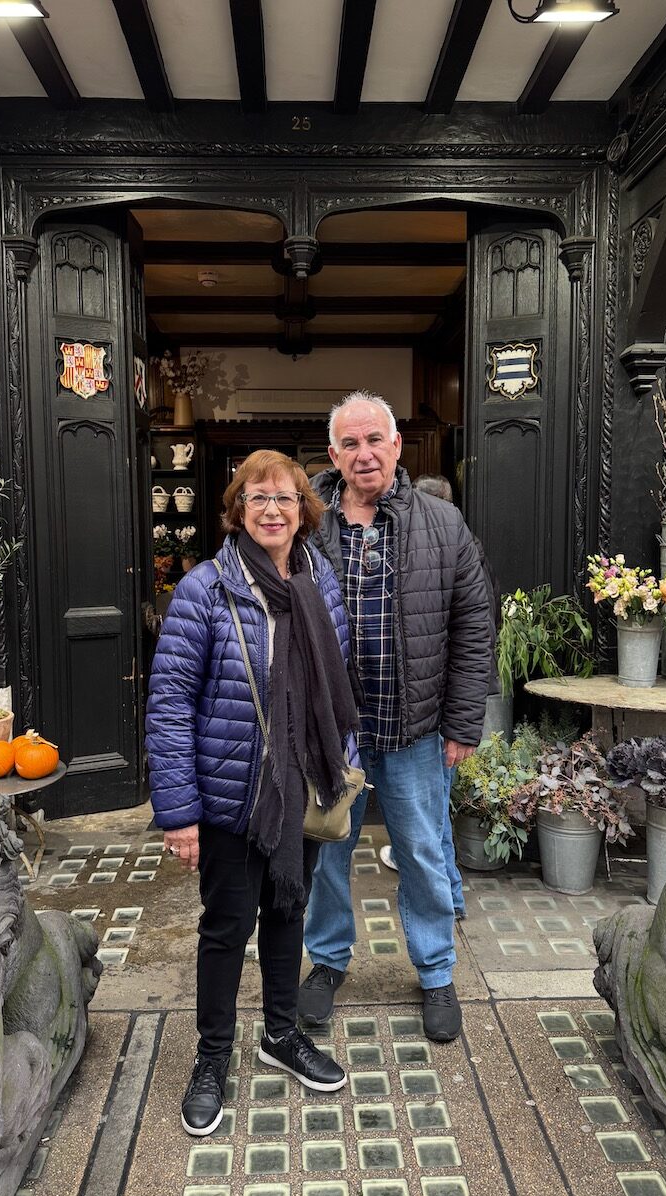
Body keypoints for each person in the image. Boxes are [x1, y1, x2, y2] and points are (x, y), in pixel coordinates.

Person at [146, 450, 357, 1136]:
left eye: (285, 498)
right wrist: (179, 814)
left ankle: (280, 1034)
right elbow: (170, 705)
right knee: (227, 929)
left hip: (303, 791)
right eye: (257, 498)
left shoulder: (320, 582)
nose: (272, 510)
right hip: (232, 798)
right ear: (237, 511)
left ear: (304, 512)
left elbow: (336, 687)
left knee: (289, 913)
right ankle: (212, 1057)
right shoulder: (205, 590)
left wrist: (342, 769)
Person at [299, 392, 494, 1043]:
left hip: (414, 728)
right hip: (334, 734)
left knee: (422, 851)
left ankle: (436, 971)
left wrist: (463, 723)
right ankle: (327, 962)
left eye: (374, 440)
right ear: (334, 455)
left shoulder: (443, 523)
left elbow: (474, 626)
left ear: (396, 445)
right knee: (328, 853)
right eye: (350, 444)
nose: (364, 454)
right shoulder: (304, 524)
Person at [379, 472, 502, 909]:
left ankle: (449, 894)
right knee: (434, 815)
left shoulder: (453, 543)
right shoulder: (466, 545)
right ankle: (450, 891)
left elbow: (476, 630)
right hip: (427, 707)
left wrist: (461, 719)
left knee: (431, 820)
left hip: (432, 710)